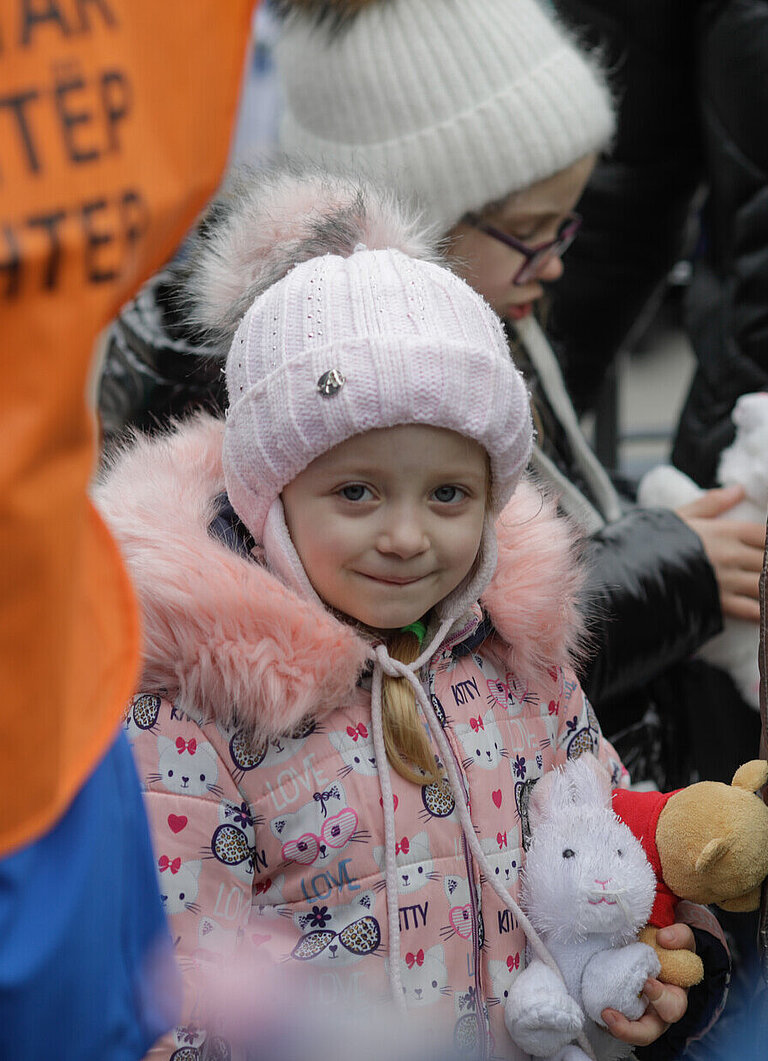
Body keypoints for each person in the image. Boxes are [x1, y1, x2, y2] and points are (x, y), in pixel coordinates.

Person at [93, 167, 723, 1060]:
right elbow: (175, 979)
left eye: (450, 494)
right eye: (356, 491)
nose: (406, 537)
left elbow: (602, 855)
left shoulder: (519, 657)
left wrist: (662, 975)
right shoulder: (195, 703)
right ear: (271, 493)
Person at [95, 0, 765, 791]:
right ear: (425, 227)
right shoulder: (289, 397)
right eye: (531, 231)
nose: (555, 265)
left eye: (567, 229)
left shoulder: (490, 345)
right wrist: (668, 572)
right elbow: (445, 649)